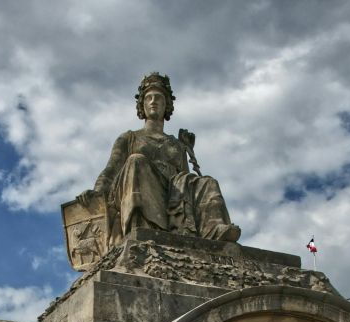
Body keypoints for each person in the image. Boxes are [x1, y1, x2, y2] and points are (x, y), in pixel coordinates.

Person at [77, 72, 240, 248]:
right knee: (136, 161)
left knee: (207, 182)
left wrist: (188, 150)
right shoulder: (129, 138)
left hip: (171, 193)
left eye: (159, 98)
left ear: (166, 105)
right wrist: (97, 191)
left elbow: (184, 178)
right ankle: (142, 228)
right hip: (139, 185)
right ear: (142, 105)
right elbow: (110, 170)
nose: (153, 101)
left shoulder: (176, 145)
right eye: (148, 98)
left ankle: (214, 230)